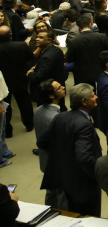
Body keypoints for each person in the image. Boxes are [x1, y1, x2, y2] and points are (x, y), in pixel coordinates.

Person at [39, 83, 103, 216]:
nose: (96, 97)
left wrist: (65, 158)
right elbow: (84, 157)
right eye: (92, 96)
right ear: (84, 102)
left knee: (74, 214)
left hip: (66, 180)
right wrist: (97, 173)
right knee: (90, 218)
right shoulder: (84, 124)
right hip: (83, 184)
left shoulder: (60, 116)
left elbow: (42, 142)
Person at [34, 80, 68, 208]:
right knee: (62, 197)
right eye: (59, 88)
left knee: (51, 195)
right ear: (51, 96)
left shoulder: (38, 111)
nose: (63, 87)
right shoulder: (56, 118)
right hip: (57, 164)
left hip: (45, 162)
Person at [0, 26, 35, 136]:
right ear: (11, 35)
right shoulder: (21, 45)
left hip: (3, 82)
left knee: (6, 105)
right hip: (20, 78)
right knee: (24, 102)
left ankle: (7, 131)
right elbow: (30, 58)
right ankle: (29, 125)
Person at [27, 29, 66, 105]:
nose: (37, 39)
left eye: (40, 37)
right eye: (37, 37)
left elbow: (39, 77)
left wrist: (30, 74)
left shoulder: (47, 56)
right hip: (57, 86)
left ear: (49, 40)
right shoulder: (57, 50)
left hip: (49, 92)